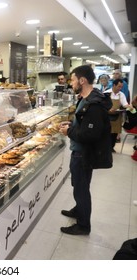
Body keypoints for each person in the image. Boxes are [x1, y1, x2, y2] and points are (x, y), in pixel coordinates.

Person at [59, 64, 113, 235]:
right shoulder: (85, 98)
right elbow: (83, 125)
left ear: (82, 80)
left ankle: (83, 225)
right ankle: (78, 210)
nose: (71, 83)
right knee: (79, 186)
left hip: (84, 154)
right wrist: (72, 124)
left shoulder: (94, 105)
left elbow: (90, 135)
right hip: (79, 152)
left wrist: (69, 131)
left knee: (82, 188)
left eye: (73, 80)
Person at [105, 79, 133, 152]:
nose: (120, 88)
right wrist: (108, 109)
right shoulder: (106, 93)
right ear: (114, 85)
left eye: (121, 87)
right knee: (106, 132)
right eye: (119, 86)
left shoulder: (121, 94)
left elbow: (125, 104)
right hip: (106, 116)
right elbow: (101, 105)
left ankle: (111, 147)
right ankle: (105, 147)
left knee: (114, 133)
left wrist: (129, 107)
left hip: (117, 116)